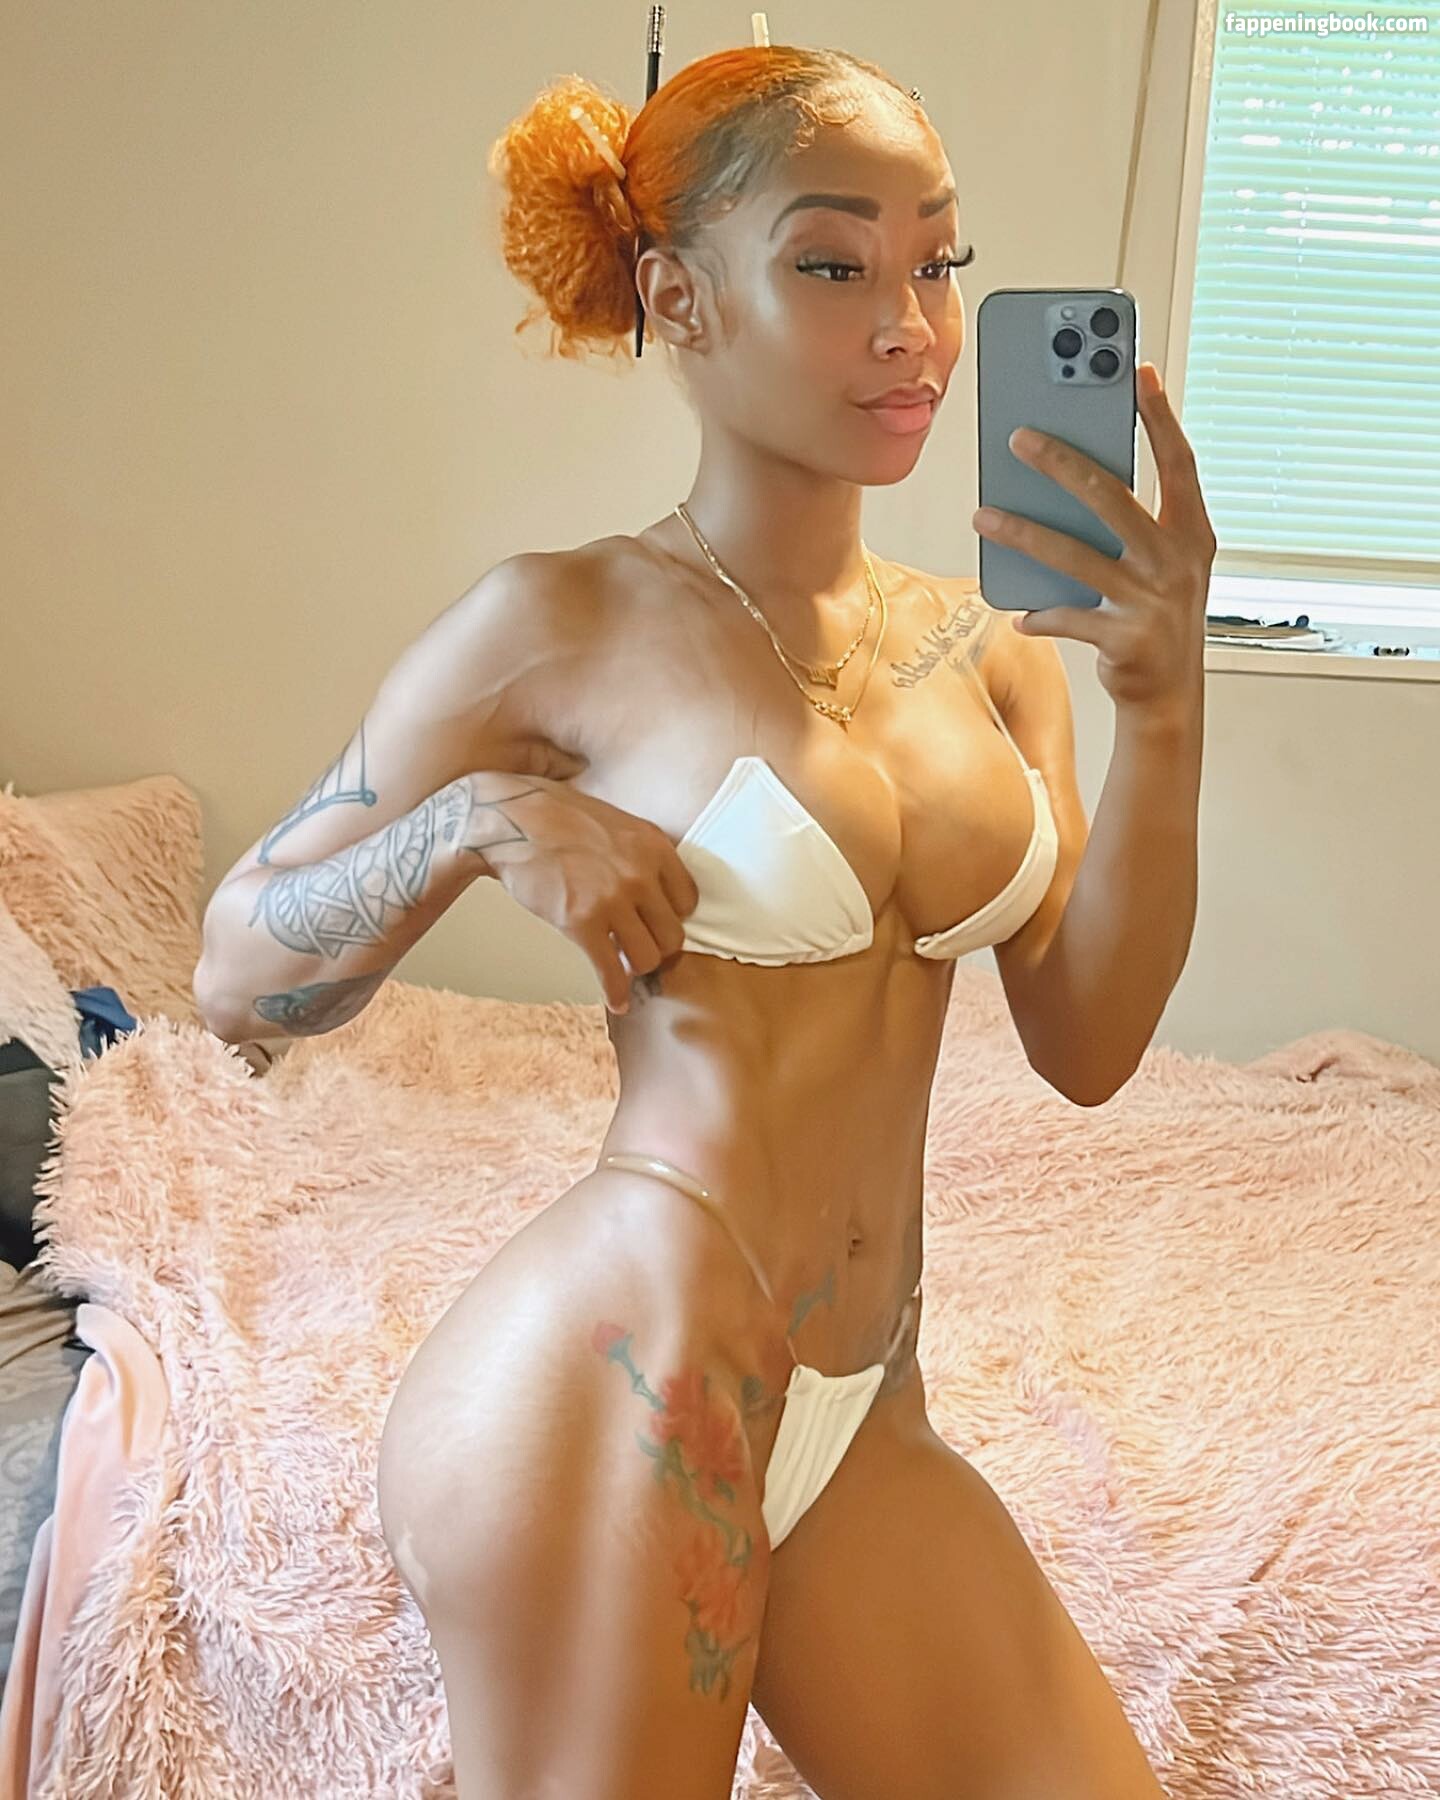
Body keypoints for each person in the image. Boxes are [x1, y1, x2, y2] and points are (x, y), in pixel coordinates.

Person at [198, 38, 1213, 1800]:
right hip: (621, 1381)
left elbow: (1091, 1047)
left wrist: (1171, 708)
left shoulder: (995, 660)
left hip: (864, 1407)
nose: (910, 326)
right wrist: (471, 823)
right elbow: (234, 972)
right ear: (680, 298)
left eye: (937, 261)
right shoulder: (560, 621)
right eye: (833, 264)